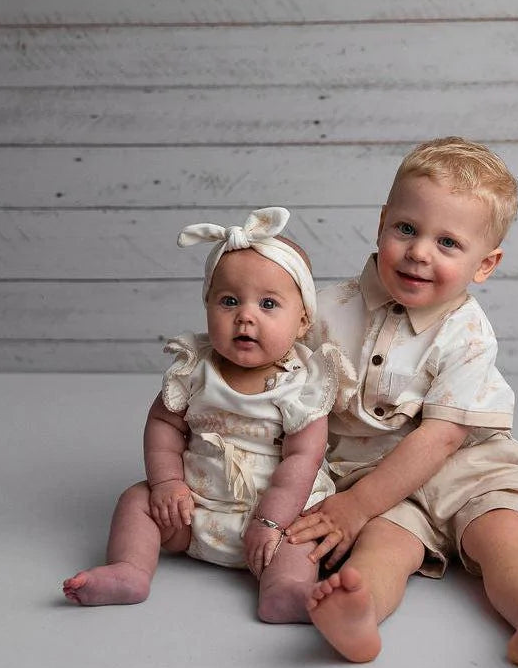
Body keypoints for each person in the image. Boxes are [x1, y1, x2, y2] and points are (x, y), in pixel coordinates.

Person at [286, 137, 518, 668]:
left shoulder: (467, 332)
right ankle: (359, 613)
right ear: (382, 222)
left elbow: (444, 437)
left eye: (448, 243)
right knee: (383, 548)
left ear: (485, 264)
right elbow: (284, 388)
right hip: (374, 477)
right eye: (406, 229)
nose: (419, 252)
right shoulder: (324, 309)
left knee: (502, 536)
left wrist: (354, 507)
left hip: (467, 469)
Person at [63, 207, 353, 623]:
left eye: (268, 304)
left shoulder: (302, 383)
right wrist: (167, 484)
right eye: (229, 301)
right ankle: (129, 570)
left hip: (274, 520)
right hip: (194, 509)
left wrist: (271, 520)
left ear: (303, 320)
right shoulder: (195, 369)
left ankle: (284, 592)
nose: (245, 316)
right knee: (137, 500)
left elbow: (303, 459)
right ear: (207, 306)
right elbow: (163, 424)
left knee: (304, 535)